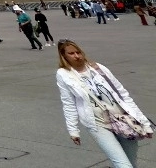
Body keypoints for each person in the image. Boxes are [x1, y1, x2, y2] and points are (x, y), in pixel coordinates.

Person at [56, 39, 153, 167]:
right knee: (124, 165)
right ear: (64, 56)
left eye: (78, 52)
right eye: (71, 53)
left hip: (123, 119)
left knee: (131, 162)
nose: (77, 56)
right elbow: (68, 103)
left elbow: (123, 94)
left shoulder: (98, 68)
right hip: (97, 123)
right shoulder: (63, 74)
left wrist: (144, 122)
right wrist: (73, 130)